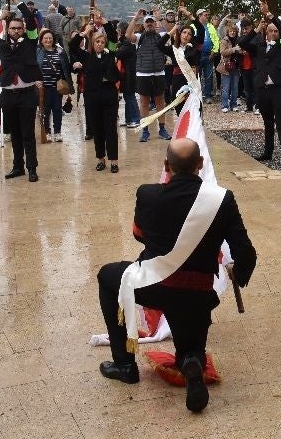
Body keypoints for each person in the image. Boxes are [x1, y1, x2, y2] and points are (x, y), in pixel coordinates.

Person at [95, 139, 257, 412]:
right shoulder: (222, 200)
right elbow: (246, 255)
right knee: (191, 350)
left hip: (152, 286)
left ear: (166, 165)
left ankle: (124, 366)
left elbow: (139, 235)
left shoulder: (147, 194)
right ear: (200, 164)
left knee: (107, 276)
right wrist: (237, 272)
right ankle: (191, 362)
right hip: (196, 294)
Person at [0, 0, 43, 181]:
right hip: (8, 94)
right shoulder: (1, 45)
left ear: (23, 30)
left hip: (27, 94)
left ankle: (32, 168)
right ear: (8, 30)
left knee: (28, 134)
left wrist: (15, 0)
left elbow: (30, 19)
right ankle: (18, 167)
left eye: (19, 28)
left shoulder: (31, 42)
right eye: (13, 28)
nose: (16, 31)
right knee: (15, 134)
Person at [71, 20, 124, 173]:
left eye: (102, 42)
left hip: (109, 95)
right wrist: (84, 32)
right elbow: (72, 46)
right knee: (97, 129)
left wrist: (105, 22)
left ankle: (114, 161)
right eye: (97, 42)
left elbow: (113, 37)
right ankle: (100, 159)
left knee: (110, 129)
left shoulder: (110, 54)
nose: (100, 44)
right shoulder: (86, 56)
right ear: (92, 43)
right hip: (92, 96)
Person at [242, 13, 281, 168]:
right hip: (262, 89)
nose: (274, 33)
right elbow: (243, 42)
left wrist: (272, 17)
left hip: (278, 88)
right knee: (267, 122)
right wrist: (256, 29)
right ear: (266, 32)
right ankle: (268, 152)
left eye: (276, 31)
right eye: (271, 30)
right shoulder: (259, 47)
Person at [123, 10, 174, 141]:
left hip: (159, 73)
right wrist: (135, 18)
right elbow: (128, 35)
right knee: (144, 103)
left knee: (160, 103)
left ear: (155, 24)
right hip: (143, 74)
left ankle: (162, 129)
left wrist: (160, 19)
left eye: (152, 22)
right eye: (147, 22)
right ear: (144, 24)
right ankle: (145, 131)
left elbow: (172, 30)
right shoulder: (139, 37)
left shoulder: (161, 36)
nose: (150, 24)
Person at [37, 29, 72, 141]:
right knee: (45, 111)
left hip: (57, 87)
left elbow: (66, 68)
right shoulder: (38, 52)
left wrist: (69, 84)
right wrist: (35, 81)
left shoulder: (60, 51)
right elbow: (34, 68)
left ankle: (57, 132)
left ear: (53, 39)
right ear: (41, 40)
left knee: (57, 110)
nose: (48, 40)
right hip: (44, 88)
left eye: (50, 38)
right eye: (45, 38)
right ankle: (47, 132)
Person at [217, 23, 243, 112]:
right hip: (226, 67)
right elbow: (222, 52)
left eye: (234, 31)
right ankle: (224, 105)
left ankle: (234, 105)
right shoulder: (224, 40)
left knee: (235, 87)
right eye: (231, 31)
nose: (232, 32)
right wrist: (234, 49)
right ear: (228, 32)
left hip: (236, 66)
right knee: (226, 87)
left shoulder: (239, 40)